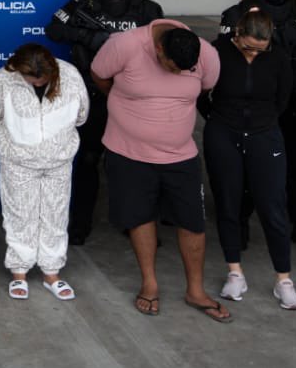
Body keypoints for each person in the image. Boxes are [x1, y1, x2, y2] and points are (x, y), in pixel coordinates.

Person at [91, 20, 225, 322]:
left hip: (181, 156)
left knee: (193, 222)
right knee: (140, 216)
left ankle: (196, 290)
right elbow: (100, 76)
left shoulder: (206, 53)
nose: (177, 73)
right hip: (128, 152)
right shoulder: (124, 45)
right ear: (159, 48)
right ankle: (149, 283)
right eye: (171, 66)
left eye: (183, 70)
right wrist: (128, 102)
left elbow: (206, 87)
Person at [46, 0, 164, 246]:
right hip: (92, 95)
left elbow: (162, 45)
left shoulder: (145, 8)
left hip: (132, 96)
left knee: (131, 164)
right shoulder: (82, 5)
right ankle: (80, 224)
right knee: (86, 161)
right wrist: (88, 38)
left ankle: (134, 222)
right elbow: (54, 29)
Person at [218, 0, 296, 254]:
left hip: (291, 107)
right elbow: (222, 59)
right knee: (243, 171)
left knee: (293, 171)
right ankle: (240, 223)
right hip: (248, 105)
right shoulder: (237, 15)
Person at [200, 9, 296, 311]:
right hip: (223, 133)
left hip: (264, 134)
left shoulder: (279, 57)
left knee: (273, 206)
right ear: (237, 34)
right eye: (248, 47)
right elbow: (200, 93)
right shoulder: (216, 52)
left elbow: (283, 99)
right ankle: (235, 273)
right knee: (228, 203)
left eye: (261, 49)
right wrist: (218, 121)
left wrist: (260, 122)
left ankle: (283, 280)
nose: (254, 53)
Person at [0, 44, 87, 303]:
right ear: (19, 70)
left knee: (55, 213)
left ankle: (51, 272)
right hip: (18, 161)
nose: (38, 82)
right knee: (19, 214)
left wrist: (53, 141)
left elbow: (81, 115)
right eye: (32, 79)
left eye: (42, 79)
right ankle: (19, 271)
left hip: (59, 160)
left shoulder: (71, 75)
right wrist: (23, 139)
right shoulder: (3, 79)